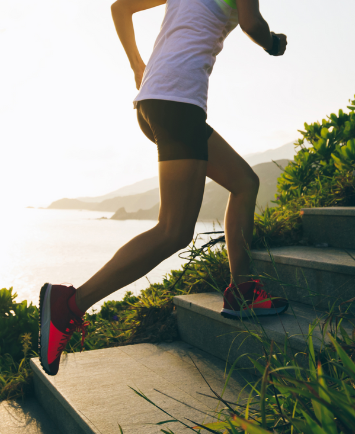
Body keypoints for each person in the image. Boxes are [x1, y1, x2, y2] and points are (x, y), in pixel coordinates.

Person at [39, 0, 289, 376]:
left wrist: (138, 65)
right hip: (178, 100)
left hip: (156, 99)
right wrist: (273, 43)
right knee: (174, 230)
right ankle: (70, 304)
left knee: (244, 182)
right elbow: (252, 23)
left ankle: (243, 291)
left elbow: (121, 8)